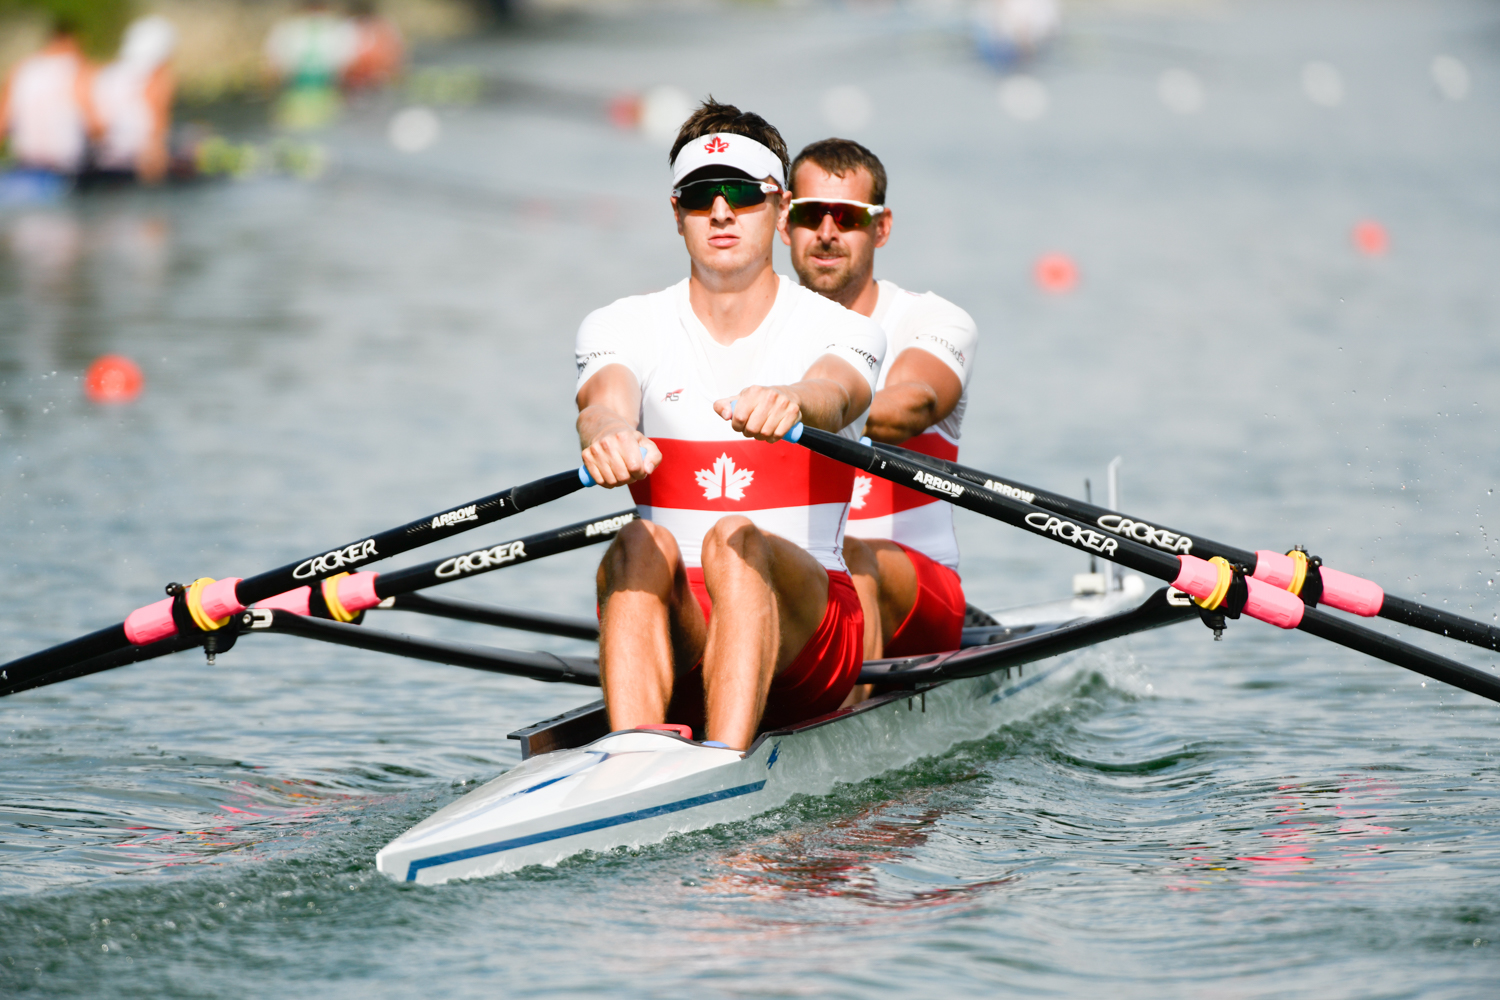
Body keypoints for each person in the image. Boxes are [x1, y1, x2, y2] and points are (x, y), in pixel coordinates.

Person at [576, 100, 886, 751]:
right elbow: (603, 399)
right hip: (682, 624)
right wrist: (606, 431)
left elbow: (836, 390)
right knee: (637, 546)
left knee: (734, 538)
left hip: (812, 635)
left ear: (779, 211)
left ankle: (722, 766)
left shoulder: (843, 328)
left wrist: (794, 401)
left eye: (742, 194)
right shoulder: (621, 323)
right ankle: (630, 762)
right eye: (700, 196)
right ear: (676, 214)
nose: (721, 211)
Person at [779, 138, 979, 666]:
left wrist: (807, 406)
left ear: (881, 227)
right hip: (797, 575)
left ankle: (842, 728)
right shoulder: (756, 326)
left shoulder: (933, 321)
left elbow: (915, 403)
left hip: (917, 592)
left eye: (846, 216)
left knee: (848, 557)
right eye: (810, 214)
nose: (826, 233)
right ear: (783, 222)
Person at [0, 16, 98, 176]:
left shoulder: (20, 71)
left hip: (25, 165)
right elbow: (94, 124)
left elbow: (2, 124)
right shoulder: (79, 70)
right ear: (71, 41)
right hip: (68, 170)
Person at [90, 16, 177, 183]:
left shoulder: (105, 74)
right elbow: (156, 140)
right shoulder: (158, 78)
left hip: (102, 162)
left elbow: (96, 126)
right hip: (136, 165)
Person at [342, 1, 404, 91]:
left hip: (382, 84)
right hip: (356, 86)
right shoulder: (350, 27)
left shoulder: (383, 27)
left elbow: (396, 59)